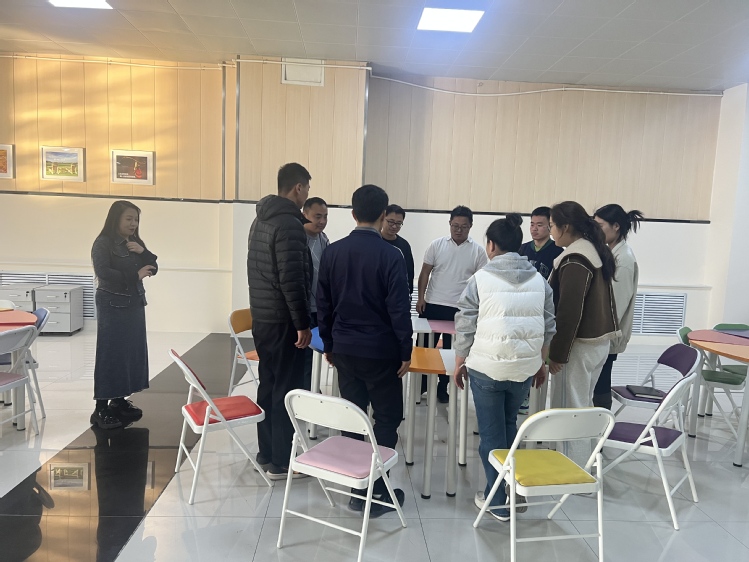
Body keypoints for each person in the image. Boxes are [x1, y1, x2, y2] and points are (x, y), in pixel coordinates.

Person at [317, 184, 413, 518]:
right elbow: (399, 310)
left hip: (344, 348)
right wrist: (405, 350)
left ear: (353, 213)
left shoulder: (333, 252)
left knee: (354, 416)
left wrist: (329, 343)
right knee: (387, 417)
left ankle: (358, 488)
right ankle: (377, 489)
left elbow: (323, 304)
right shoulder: (391, 255)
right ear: (383, 215)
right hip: (381, 351)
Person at [454, 214, 556, 522]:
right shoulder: (540, 281)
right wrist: (541, 363)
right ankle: (511, 488)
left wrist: (459, 361)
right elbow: (549, 326)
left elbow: (466, 324)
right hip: (525, 367)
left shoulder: (480, 279)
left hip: (486, 367)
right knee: (510, 425)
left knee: (490, 435)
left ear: (491, 245)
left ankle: (497, 501)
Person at [247, 162, 312, 480]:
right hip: (284, 321)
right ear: (298, 187)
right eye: (307, 189)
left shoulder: (260, 220)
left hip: (262, 317)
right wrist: (302, 323)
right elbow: (292, 279)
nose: (307, 195)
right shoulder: (289, 225)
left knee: (269, 384)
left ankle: (266, 453)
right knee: (286, 389)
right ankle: (282, 462)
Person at [547, 201, 619, 465]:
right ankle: (581, 465)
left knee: (571, 412)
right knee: (581, 407)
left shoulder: (576, 259)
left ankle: (574, 471)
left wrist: (558, 354)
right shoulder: (592, 250)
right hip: (594, 345)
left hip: (578, 347)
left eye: (552, 225)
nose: (551, 231)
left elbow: (569, 312)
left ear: (565, 227)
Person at [91, 200, 158, 429]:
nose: (133, 223)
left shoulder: (135, 243)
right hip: (112, 304)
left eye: (136, 219)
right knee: (111, 354)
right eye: (128, 219)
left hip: (134, 304)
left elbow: (153, 267)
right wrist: (134, 276)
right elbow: (103, 272)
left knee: (129, 353)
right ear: (115, 219)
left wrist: (144, 252)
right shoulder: (103, 243)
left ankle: (118, 401)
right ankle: (101, 408)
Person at [416, 205, 488, 402]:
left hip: (459, 309)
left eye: (463, 226)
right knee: (424, 348)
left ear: (470, 226)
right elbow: (425, 273)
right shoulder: (437, 245)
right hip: (432, 304)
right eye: (455, 225)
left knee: (452, 352)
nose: (458, 230)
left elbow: (481, 282)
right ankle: (421, 386)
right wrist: (421, 297)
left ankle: (443, 387)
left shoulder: (478, 252)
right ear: (449, 224)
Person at [592, 205, 643, 409]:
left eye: (600, 226)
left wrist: (597, 330)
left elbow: (616, 305)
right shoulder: (609, 252)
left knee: (601, 382)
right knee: (598, 380)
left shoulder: (624, 259)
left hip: (608, 332)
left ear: (616, 226)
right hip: (602, 332)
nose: (596, 231)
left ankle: (602, 422)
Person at [302, 196, 330, 391]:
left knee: (315, 353)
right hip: (303, 306)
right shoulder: (297, 238)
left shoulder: (323, 238)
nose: (322, 221)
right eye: (317, 216)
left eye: (325, 217)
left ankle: (312, 388)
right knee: (303, 354)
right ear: (305, 214)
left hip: (320, 306)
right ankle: (305, 392)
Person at [518, 206, 563, 279]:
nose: (534, 229)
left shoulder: (558, 252)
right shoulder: (522, 249)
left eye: (539, 225)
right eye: (532, 225)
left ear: (550, 226)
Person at [380, 204, 415, 294]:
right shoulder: (374, 241)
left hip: (396, 294)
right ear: (382, 219)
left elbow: (409, 272)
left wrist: (408, 294)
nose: (394, 226)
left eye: (398, 223)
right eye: (391, 222)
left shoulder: (404, 245)